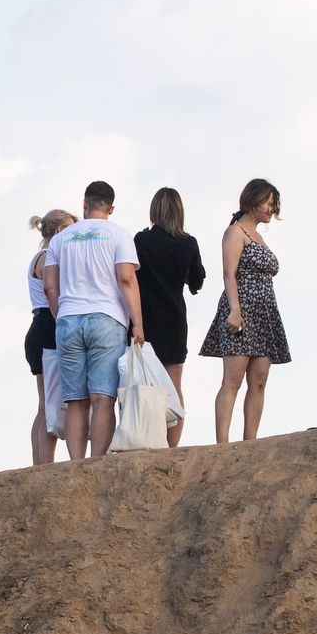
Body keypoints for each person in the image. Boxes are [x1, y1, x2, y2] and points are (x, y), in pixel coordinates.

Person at [41, 182, 144, 460]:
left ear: (84, 203)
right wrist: (138, 323)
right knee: (102, 398)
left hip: (68, 319)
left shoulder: (61, 239)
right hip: (107, 319)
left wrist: (59, 314)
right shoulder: (119, 235)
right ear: (110, 207)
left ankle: (76, 462)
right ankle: (97, 462)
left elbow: (50, 287)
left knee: (75, 400)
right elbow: (126, 279)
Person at [197, 178, 290, 443]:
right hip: (241, 308)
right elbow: (229, 275)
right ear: (253, 200)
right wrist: (235, 310)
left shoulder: (259, 236)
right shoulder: (235, 232)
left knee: (259, 381)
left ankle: (251, 440)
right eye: (269, 203)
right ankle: (222, 442)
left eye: (275, 204)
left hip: (265, 312)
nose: (272, 209)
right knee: (232, 380)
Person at [134, 188, 208, 448]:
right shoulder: (189, 243)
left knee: (144, 383)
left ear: (154, 210)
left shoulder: (141, 240)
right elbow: (197, 282)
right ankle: (172, 445)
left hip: (145, 319)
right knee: (174, 383)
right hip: (175, 318)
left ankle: (147, 439)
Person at [24, 209, 72, 465]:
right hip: (47, 328)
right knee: (48, 404)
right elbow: (53, 288)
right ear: (60, 231)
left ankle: (40, 463)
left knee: (45, 404)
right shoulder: (46, 258)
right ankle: (44, 464)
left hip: (40, 328)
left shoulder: (41, 256)